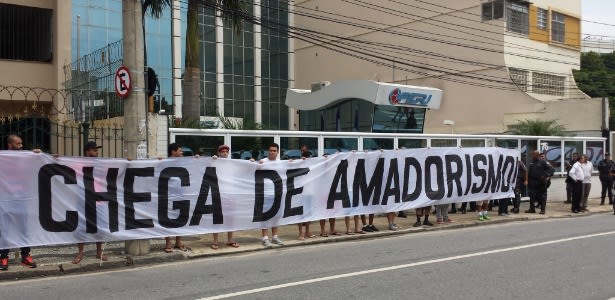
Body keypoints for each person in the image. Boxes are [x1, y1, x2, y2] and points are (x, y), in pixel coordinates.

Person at [0, 135, 37, 271]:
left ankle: (25, 256)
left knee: (23, 229)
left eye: (21, 143)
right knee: (4, 230)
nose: (21, 146)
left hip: (22, 200)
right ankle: (3, 257)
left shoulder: (24, 157)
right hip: (6, 200)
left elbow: (41, 162)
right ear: (10, 145)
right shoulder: (2, 158)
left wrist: (44, 156)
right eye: (18, 143)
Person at [72, 141, 109, 264]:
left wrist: (128, 162)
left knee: (101, 227)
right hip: (83, 200)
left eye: (97, 150)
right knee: (81, 227)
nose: (97, 152)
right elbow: (62, 166)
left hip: (98, 200)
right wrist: (56, 158)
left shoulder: (101, 164)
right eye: (94, 150)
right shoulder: (78, 164)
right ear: (87, 151)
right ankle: (80, 252)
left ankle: (99, 252)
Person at [210, 145, 240, 249]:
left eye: (226, 151)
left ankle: (230, 240)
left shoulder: (232, 164)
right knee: (217, 218)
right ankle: (215, 241)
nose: (224, 152)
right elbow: (202, 165)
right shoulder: (214, 161)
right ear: (219, 152)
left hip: (231, 194)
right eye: (222, 151)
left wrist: (251, 161)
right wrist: (212, 159)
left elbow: (245, 169)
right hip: (218, 194)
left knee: (230, 218)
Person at [256, 143, 285, 247]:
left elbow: (294, 166)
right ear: (268, 151)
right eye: (271, 150)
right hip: (266, 193)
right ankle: (265, 238)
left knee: (276, 215)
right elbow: (250, 170)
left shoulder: (281, 163)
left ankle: (275, 237)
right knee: (265, 216)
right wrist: (253, 163)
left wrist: (301, 160)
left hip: (277, 193)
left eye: (274, 151)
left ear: (277, 152)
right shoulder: (263, 162)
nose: (272, 152)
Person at [163, 143, 187, 253]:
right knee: (168, 220)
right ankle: (168, 243)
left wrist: (196, 158)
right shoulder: (164, 162)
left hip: (181, 194)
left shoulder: (184, 162)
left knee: (180, 219)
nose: (182, 153)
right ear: (173, 151)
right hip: (168, 195)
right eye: (180, 150)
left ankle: (178, 242)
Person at [297, 145, 315, 240]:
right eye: (301, 151)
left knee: (308, 213)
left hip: (309, 192)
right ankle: (301, 233)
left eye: (304, 151)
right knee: (300, 214)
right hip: (300, 192)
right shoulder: (298, 163)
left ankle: (308, 231)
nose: (303, 153)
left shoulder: (312, 164)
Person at [525, 150, 552, 214]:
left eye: (534, 154)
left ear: (537, 155)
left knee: (542, 197)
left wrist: (545, 175)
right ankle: (532, 209)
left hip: (541, 183)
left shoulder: (543, 162)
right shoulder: (531, 162)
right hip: (533, 182)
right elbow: (529, 173)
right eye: (532, 154)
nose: (532, 155)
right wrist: (527, 181)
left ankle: (542, 210)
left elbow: (551, 170)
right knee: (532, 196)